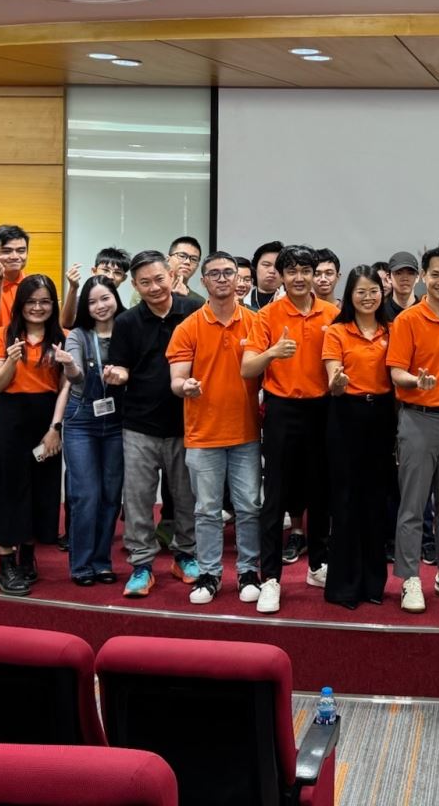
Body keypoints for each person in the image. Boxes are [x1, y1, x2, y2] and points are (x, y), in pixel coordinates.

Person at [240, 244, 339, 614]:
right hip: (282, 410)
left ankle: (318, 565)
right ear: (281, 276)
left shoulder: (332, 313)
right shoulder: (267, 315)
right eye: (292, 271)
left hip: (323, 409)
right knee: (276, 496)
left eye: (305, 270)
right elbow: (247, 369)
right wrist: (272, 353)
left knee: (320, 493)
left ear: (315, 275)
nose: (299, 277)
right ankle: (270, 578)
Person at [103, 250, 204, 598]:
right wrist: (117, 374)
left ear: (172, 276)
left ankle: (185, 555)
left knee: (186, 497)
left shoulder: (194, 311)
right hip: (139, 425)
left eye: (160, 278)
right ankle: (142, 565)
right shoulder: (126, 321)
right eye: (145, 282)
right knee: (138, 499)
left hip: (186, 422)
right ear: (135, 286)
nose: (154, 287)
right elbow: (121, 365)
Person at [166, 252, 263, 607]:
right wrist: (186, 387)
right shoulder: (188, 326)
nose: (222, 279)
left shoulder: (255, 322)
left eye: (228, 273)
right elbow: (176, 379)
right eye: (215, 274)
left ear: (239, 279)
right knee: (207, 510)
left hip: (246, 433)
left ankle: (249, 571)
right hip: (203, 435)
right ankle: (209, 574)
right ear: (203, 281)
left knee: (249, 506)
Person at [386, 246, 439, 613]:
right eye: (434, 274)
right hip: (418, 419)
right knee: (413, 505)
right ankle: (409, 578)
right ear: (424, 276)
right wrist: (416, 381)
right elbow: (396, 372)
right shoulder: (408, 319)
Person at [0, 274, 68, 596]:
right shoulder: (2, 335)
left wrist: (55, 428)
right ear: (20, 304)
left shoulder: (61, 337)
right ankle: (5, 562)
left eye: (45, 302)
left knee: (40, 488)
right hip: (9, 420)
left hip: (45, 421)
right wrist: (11, 361)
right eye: (31, 301)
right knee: (7, 488)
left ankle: (28, 556)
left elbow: (65, 388)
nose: (38, 308)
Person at [322, 266, 396, 608]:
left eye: (373, 291)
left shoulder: (391, 330)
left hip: (382, 415)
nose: (368, 298)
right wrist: (338, 383)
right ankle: (344, 586)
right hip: (345, 415)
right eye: (361, 292)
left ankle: (373, 583)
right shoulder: (337, 331)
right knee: (346, 499)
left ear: (382, 293)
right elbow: (333, 378)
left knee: (376, 499)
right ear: (350, 296)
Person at [60, 274, 126, 587]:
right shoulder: (78, 334)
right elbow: (74, 375)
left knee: (111, 495)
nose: (100, 306)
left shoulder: (128, 328)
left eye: (105, 298)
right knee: (86, 494)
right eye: (92, 302)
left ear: (115, 297)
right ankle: (82, 564)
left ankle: (102, 562)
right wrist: (69, 366)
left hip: (118, 420)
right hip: (82, 418)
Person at [60, 246, 130, 328]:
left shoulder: (124, 314)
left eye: (117, 273)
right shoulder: (79, 301)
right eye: (106, 270)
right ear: (94, 271)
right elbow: (66, 323)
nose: (110, 276)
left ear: (123, 278)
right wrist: (73, 287)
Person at [381, 251, 420, 323]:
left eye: (410, 273)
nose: (405, 278)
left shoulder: (426, 313)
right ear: (389, 278)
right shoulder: (379, 314)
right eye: (398, 273)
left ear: (417, 277)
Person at [246, 241, 283, 311]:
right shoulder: (242, 298)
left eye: (278, 266)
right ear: (255, 267)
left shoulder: (291, 300)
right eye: (266, 265)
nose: (272, 271)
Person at [168, 236, 206, 305]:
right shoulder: (152, 291)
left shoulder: (199, 302)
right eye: (182, 256)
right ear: (168, 259)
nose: (187, 262)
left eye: (194, 259)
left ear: (197, 266)